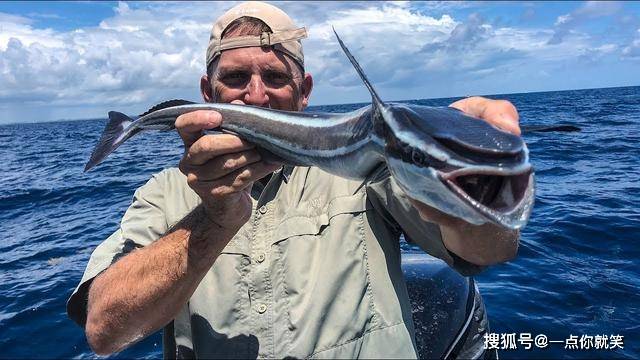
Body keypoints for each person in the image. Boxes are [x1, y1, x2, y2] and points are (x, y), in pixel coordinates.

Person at [67, 2, 521, 358]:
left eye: (276, 78)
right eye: (237, 77)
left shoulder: (365, 171)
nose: (257, 94)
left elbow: (491, 250)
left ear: (304, 92)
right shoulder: (164, 192)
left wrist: (472, 183)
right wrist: (215, 221)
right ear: (208, 95)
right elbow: (104, 332)